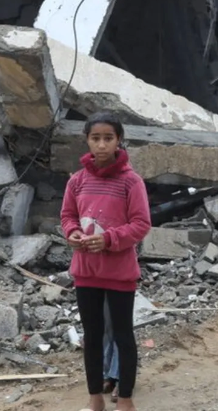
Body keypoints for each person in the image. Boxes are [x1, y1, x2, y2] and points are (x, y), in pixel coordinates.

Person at [60, 111, 151, 411]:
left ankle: (125, 399)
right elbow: (68, 216)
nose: (101, 145)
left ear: (119, 140)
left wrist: (109, 239)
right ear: (86, 140)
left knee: (123, 335)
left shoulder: (131, 182)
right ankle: (94, 399)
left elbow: (141, 223)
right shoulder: (77, 181)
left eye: (108, 138)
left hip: (120, 272)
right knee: (93, 335)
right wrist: (72, 233)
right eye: (95, 138)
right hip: (86, 271)